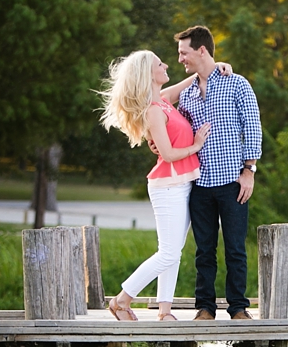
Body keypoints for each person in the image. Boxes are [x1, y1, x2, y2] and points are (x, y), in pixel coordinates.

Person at [99, 49, 232, 321]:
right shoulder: (153, 111)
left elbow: (191, 80)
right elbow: (169, 154)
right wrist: (196, 145)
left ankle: (164, 311)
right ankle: (121, 300)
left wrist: (214, 65)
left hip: (182, 184)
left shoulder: (163, 100)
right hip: (168, 187)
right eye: (160, 64)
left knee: (172, 253)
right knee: (168, 253)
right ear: (148, 74)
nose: (166, 65)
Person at [173, 25, 262, 321]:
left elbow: (252, 128)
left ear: (201, 50)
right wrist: (156, 141)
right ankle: (205, 308)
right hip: (199, 184)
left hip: (232, 181)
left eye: (184, 53)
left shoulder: (236, 84)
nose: (180, 59)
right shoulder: (186, 95)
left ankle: (238, 308)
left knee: (235, 249)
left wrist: (249, 171)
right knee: (204, 251)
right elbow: (177, 131)